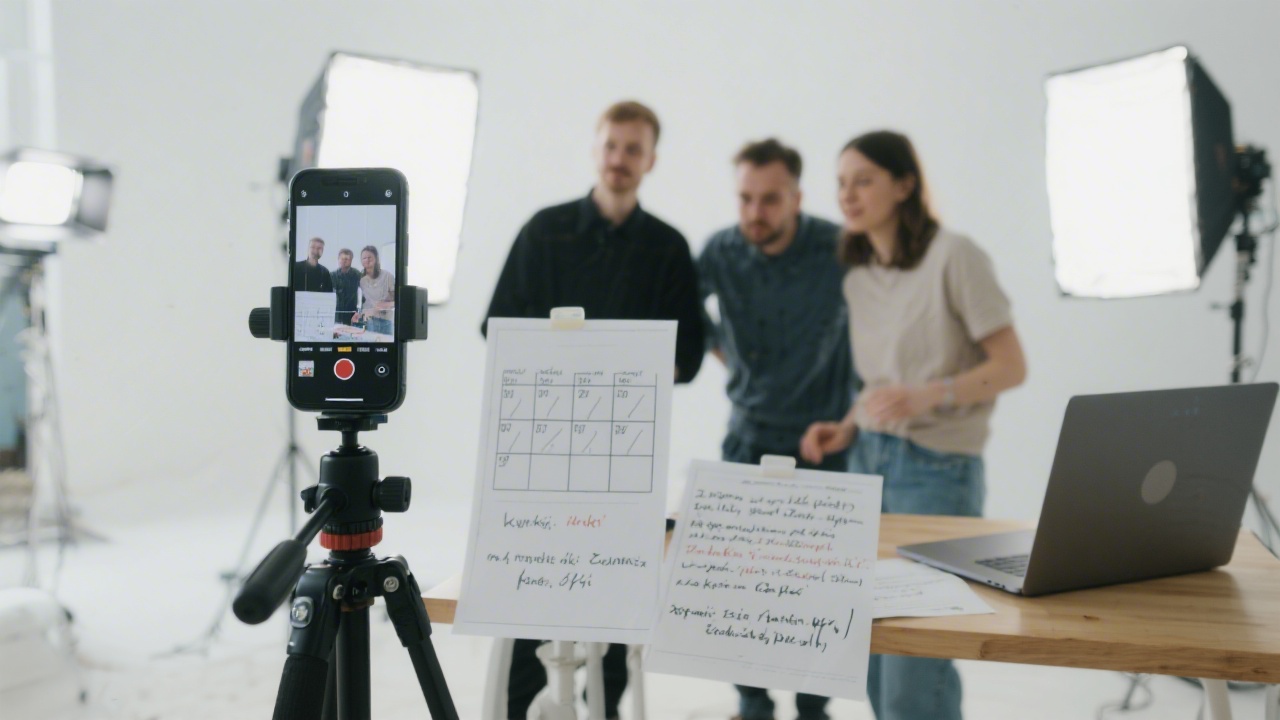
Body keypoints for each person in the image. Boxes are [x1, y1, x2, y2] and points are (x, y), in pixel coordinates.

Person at [483, 100, 704, 720]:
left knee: (617, 594)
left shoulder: (668, 246)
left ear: (651, 160)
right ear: (595, 149)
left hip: (627, 459)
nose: (619, 159)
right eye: (611, 145)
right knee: (529, 592)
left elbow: (687, 354)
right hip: (541, 454)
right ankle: (518, 712)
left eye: (633, 149)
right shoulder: (543, 230)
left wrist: (627, 374)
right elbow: (499, 328)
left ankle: (602, 711)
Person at [800, 130, 1027, 720]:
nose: (847, 195)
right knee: (878, 657)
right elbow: (880, 384)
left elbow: (1011, 366)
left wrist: (928, 395)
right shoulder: (857, 277)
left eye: (863, 180)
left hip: (937, 472)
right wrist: (848, 425)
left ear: (904, 185)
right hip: (867, 463)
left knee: (914, 675)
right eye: (841, 183)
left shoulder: (955, 256)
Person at [697, 137, 855, 720]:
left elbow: (881, 319)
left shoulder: (839, 247)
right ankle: (752, 704)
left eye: (769, 199)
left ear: (797, 198)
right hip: (746, 437)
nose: (755, 212)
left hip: (825, 443)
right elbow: (687, 310)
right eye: (745, 199)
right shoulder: (719, 250)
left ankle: (813, 708)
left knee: (824, 591)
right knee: (740, 588)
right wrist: (727, 356)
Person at [356, 245, 395, 336]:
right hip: (369, 321)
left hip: (385, 321)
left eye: (369, 257)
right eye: (364, 258)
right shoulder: (361, 279)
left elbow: (399, 301)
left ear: (376, 258)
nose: (367, 260)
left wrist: (385, 305)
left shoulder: (388, 276)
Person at [330, 248, 361, 325]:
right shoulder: (332, 275)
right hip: (336, 312)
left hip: (351, 312)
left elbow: (364, 293)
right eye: (342, 258)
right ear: (338, 259)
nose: (344, 261)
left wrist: (360, 311)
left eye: (346, 259)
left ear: (351, 260)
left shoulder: (357, 275)